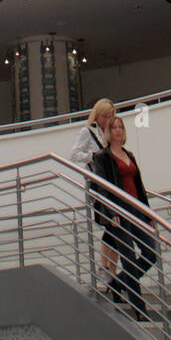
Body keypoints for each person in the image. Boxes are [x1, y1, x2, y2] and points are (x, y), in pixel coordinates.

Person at [89, 116, 157, 319]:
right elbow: (101, 187)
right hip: (118, 214)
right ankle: (139, 308)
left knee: (150, 253)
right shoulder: (102, 156)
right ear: (109, 132)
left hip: (136, 211)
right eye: (114, 127)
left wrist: (148, 213)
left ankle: (118, 283)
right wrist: (111, 213)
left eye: (120, 127)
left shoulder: (130, 155)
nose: (118, 130)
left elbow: (139, 187)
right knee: (128, 259)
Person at [71, 99, 118, 289]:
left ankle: (110, 274)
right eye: (105, 116)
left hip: (112, 183)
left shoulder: (110, 132)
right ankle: (105, 270)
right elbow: (74, 154)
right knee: (111, 226)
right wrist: (93, 156)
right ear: (97, 115)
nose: (107, 120)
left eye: (110, 116)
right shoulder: (87, 132)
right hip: (98, 185)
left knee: (116, 229)